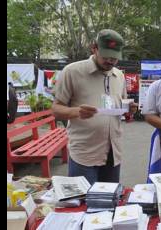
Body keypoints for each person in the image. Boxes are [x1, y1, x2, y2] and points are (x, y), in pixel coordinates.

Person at [52, 29, 137, 184]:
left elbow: (121, 106)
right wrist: (76, 111)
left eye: (115, 58)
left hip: (113, 152)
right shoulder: (72, 71)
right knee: (84, 204)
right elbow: (56, 109)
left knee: (109, 202)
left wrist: (129, 109)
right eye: (106, 56)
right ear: (94, 48)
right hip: (84, 154)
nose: (111, 61)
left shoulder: (119, 76)